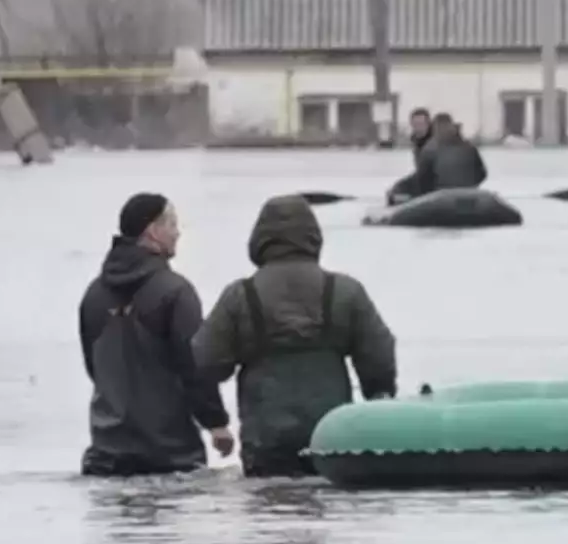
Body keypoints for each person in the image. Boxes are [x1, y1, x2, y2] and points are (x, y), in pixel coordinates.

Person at [193, 194, 399, 477]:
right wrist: (378, 397)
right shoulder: (345, 290)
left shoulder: (240, 296)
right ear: (314, 237)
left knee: (271, 509)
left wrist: (216, 421)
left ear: (259, 240)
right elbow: (379, 354)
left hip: (266, 440)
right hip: (332, 435)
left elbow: (202, 362)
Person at [77, 192, 235, 476]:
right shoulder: (175, 291)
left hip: (105, 455)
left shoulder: (94, 295)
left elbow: (95, 369)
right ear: (153, 231)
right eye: (172, 224)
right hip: (170, 455)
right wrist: (216, 423)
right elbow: (193, 365)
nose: (178, 232)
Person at [387, 109, 437, 205]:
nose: (418, 128)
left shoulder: (434, 142)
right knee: (394, 192)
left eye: (421, 124)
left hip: (435, 180)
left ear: (428, 124)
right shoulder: (417, 141)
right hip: (421, 177)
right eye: (415, 124)